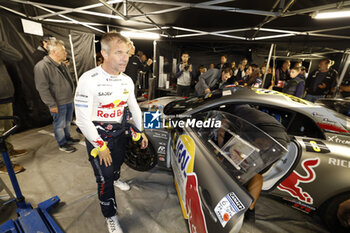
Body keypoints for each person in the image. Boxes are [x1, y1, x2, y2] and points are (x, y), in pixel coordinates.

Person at [74, 31, 148, 233]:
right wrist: (99, 145)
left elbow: (134, 108)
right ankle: (110, 215)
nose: (125, 57)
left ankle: (116, 177)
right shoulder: (89, 79)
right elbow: (81, 118)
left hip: (119, 133)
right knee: (104, 179)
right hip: (98, 137)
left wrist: (140, 132)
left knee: (117, 165)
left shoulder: (126, 80)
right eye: (119, 52)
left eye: (126, 53)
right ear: (104, 54)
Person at [34, 39, 79, 153]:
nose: (66, 53)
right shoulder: (42, 66)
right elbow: (42, 88)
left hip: (68, 100)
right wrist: (51, 104)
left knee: (68, 122)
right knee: (59, 124)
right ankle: (62, 143)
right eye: (63, 51)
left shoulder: (61, 64)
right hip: (58, 102)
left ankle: (67, 138)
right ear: (53, 52)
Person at [0, 40, 27, 174]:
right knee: (0, 132)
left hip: (5, 96)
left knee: (7, 128)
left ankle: (9, 151)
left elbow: (17, 56)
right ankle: (1, 164)